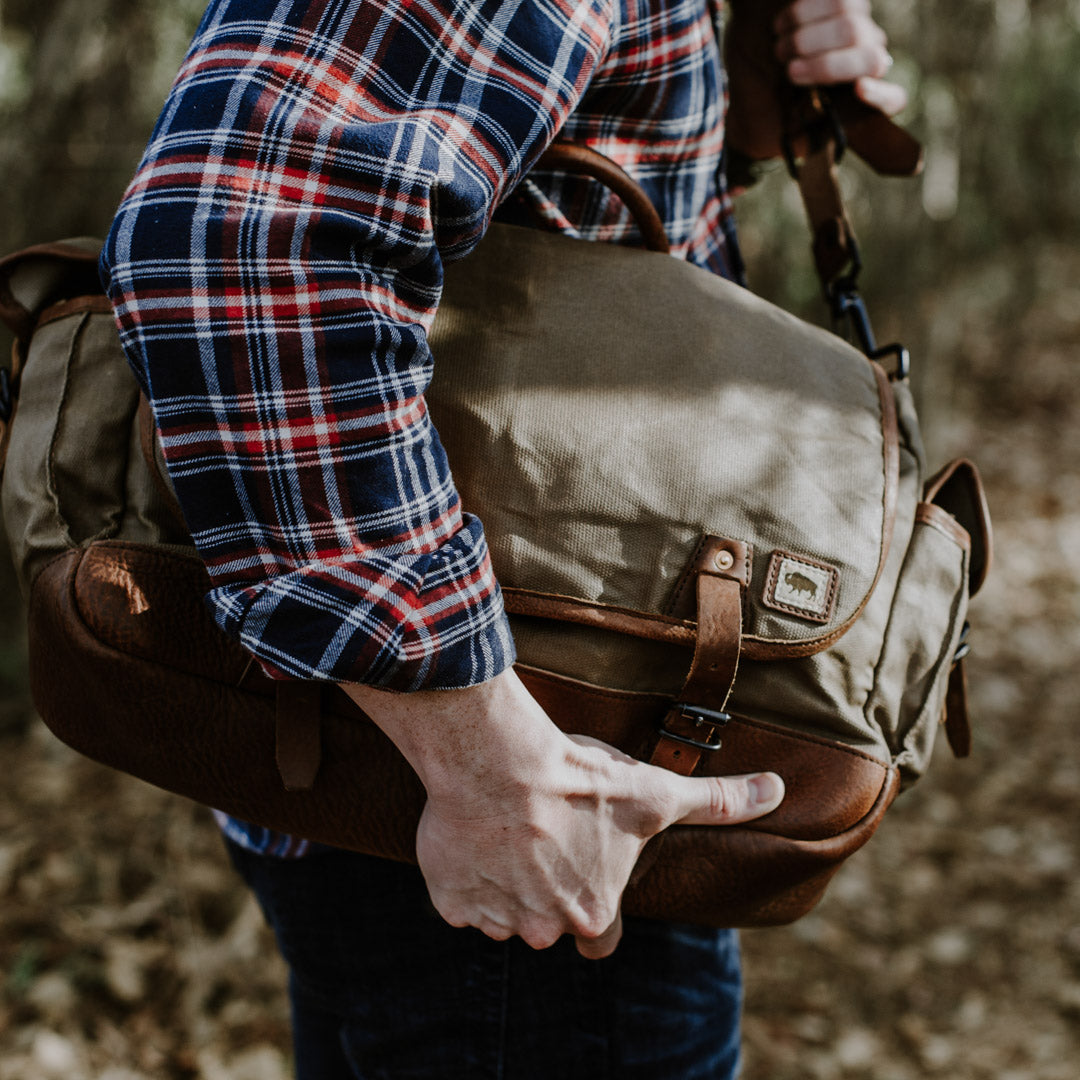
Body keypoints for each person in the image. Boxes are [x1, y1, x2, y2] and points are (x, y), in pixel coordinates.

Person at [101, 0, 906, 1075]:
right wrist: (487, 765)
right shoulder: (498, 789)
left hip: (511, 788)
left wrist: (723, 103)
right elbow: (242, 238)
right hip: (510, 809)